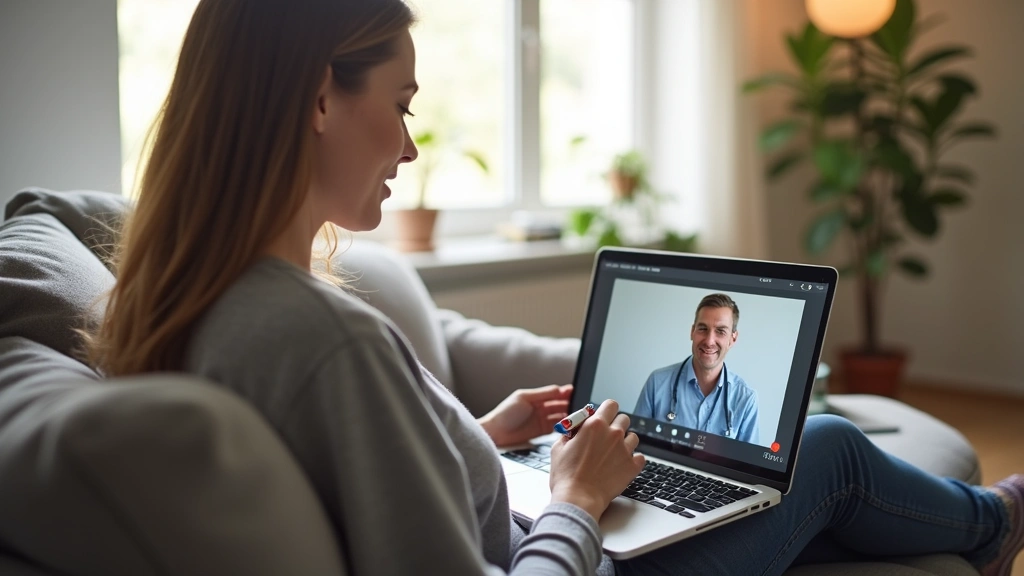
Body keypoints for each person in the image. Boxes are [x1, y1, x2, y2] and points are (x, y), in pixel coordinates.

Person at [85, 1, 1024, 574]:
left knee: (778, 488)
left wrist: (476, 435)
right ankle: (996, 525)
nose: (408, 147)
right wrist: (575, 497)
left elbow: (364, 476)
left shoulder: (202, 300)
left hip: (539, 526)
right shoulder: (324, 339)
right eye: (401, 106)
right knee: (830, 450)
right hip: (568, 553)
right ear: (320, 97)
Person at [633, 293, 760, 443]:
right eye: (703, 328)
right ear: (692, 332)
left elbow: (746, 458)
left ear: (733, 339)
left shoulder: (746, 399)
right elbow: (634, 444)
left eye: (720, 331)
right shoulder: (657, 382)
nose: (709, 341)